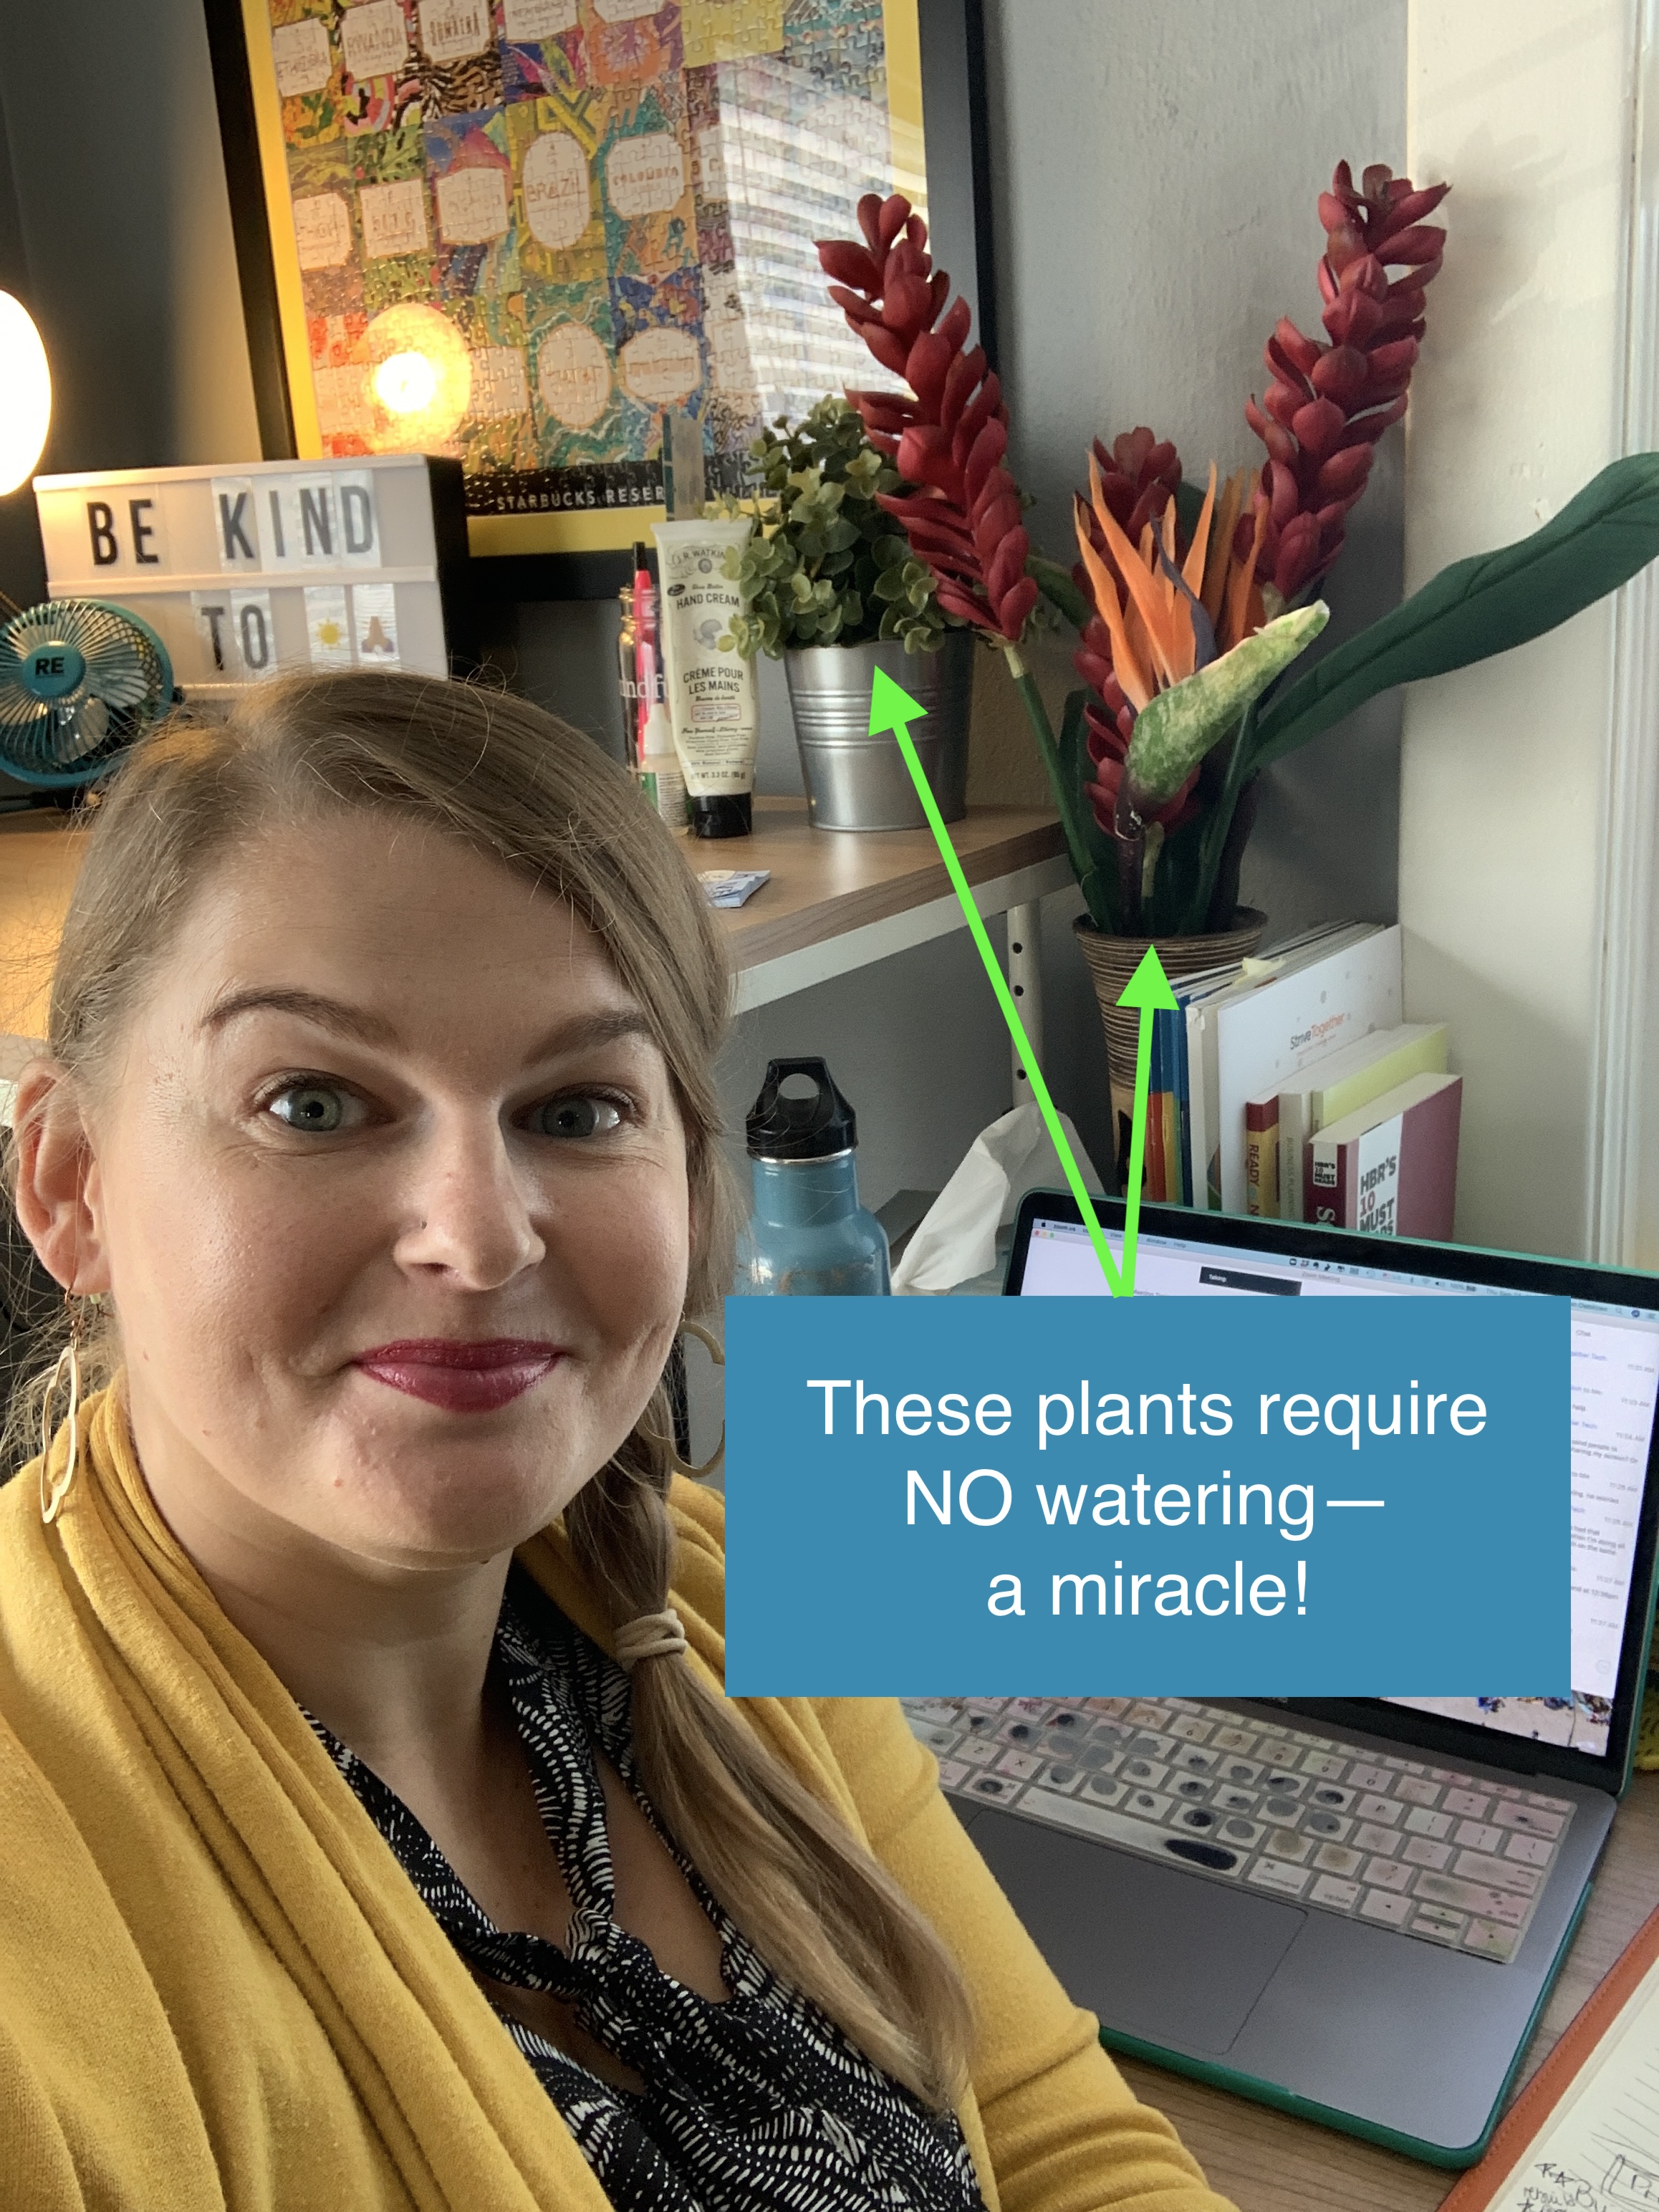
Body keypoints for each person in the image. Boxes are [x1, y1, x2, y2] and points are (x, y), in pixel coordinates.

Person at [0, 672, 1235, 2211]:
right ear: (66, 1180)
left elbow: (1058, 2135)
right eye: (313, 1101)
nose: (478, 1228)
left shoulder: (722, 1601)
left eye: (577, 1107)